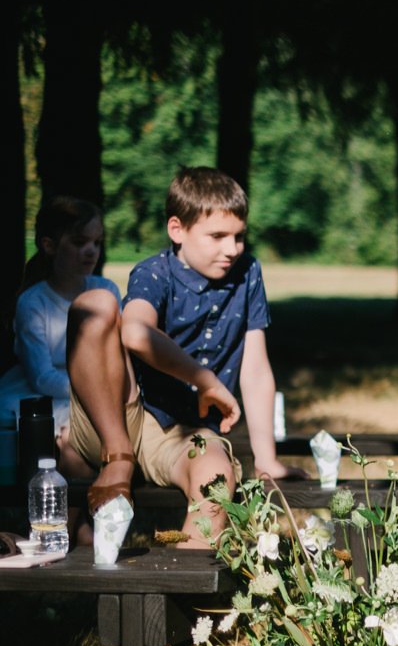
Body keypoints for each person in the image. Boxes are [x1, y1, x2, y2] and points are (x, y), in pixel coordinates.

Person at [67, 167, 298, 543]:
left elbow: (255, 371)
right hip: (124, 415)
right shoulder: (154, 273)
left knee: (216, 485)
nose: (232, 248)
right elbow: (136, 333)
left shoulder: (248, 273)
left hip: (184, 434)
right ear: (177, 230)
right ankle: (118, 456)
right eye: (218, 236)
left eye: (239, 236)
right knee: (95, 304)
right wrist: (204, 379)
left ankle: (180, 586)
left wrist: (266, 457)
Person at [0, 198, 118, 478]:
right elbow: (41, 376)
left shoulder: (106, 289)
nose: (91, 251)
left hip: (100, 387)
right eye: (79, 242)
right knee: (71, 446)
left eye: (96, 243)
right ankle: (77, 516)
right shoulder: (33, 302)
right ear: (49, 245)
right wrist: (95, 391)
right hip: (47, 394)